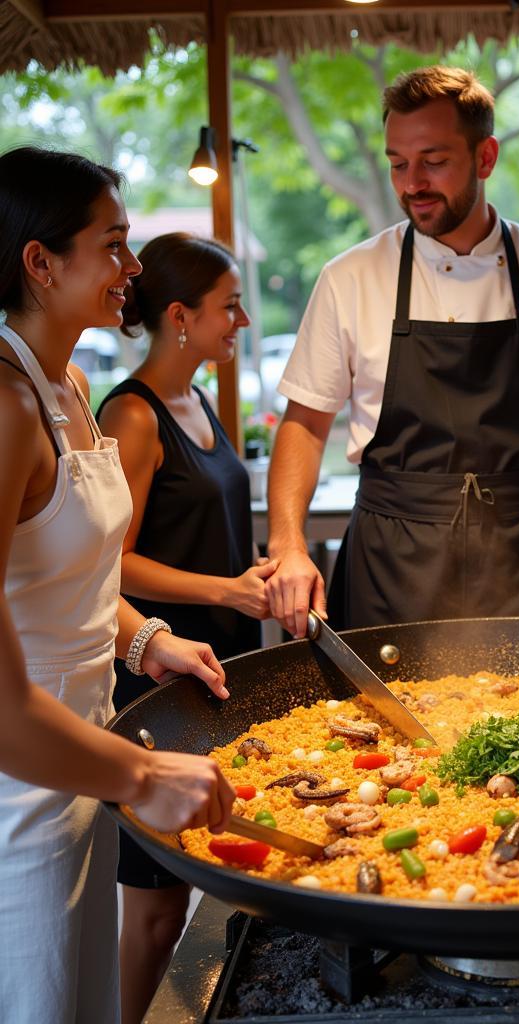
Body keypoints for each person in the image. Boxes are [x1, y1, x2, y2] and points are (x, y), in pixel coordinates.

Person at [266, 66, 519, 637]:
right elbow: (304, 421)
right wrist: (288, 545)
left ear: (485, 158)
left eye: (434, 160)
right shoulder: (350, 277)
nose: (412, 183)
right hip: (392, 559)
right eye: (398, 163)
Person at [0, 146, 234, 1024]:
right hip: (20, 791)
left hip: (88, 753)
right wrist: (141, 776)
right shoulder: (4, 406)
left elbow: (75, 576)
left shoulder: (66, 382)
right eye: (115, 244)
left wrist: (149, 638)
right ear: (41, 261)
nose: (132, 268)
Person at [96, 232, 271, 1024]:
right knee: (157, 904)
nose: (239, 320)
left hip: (221, 666)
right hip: (157, 674)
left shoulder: (198, 399)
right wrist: (225, 590)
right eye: (228, 306)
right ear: (178, 316)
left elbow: (213, 527)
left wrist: (260, 572)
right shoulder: (131, 414)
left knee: (212, 874)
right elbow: (114, 563)